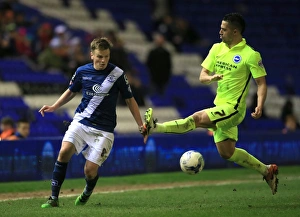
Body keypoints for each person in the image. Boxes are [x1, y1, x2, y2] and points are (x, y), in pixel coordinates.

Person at [143, 13, 279, 195]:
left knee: (196, 119)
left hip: (234, 109)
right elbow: (202, 76)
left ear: (235, 31)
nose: (220, 32)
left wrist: (260, 104)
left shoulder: (250, 55)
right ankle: (267, 170)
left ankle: (155, 128)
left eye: (224, 29)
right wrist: (210, 78)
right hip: (220, 107)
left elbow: (261, 83)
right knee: (227, 153)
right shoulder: (216, 48)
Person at [39, 37, 148, 208]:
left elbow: (130, 100)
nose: (103, 60)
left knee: (89, 171)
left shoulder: (117, 74)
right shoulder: (82, 71)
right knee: (64, 151)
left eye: (106, 56)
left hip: (104, 129)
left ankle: (87, 191)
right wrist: (54, 106)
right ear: (92, 55)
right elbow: (71, 91)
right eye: (99, 56)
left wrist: (140, 124)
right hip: (82, 121)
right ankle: (53, 198)